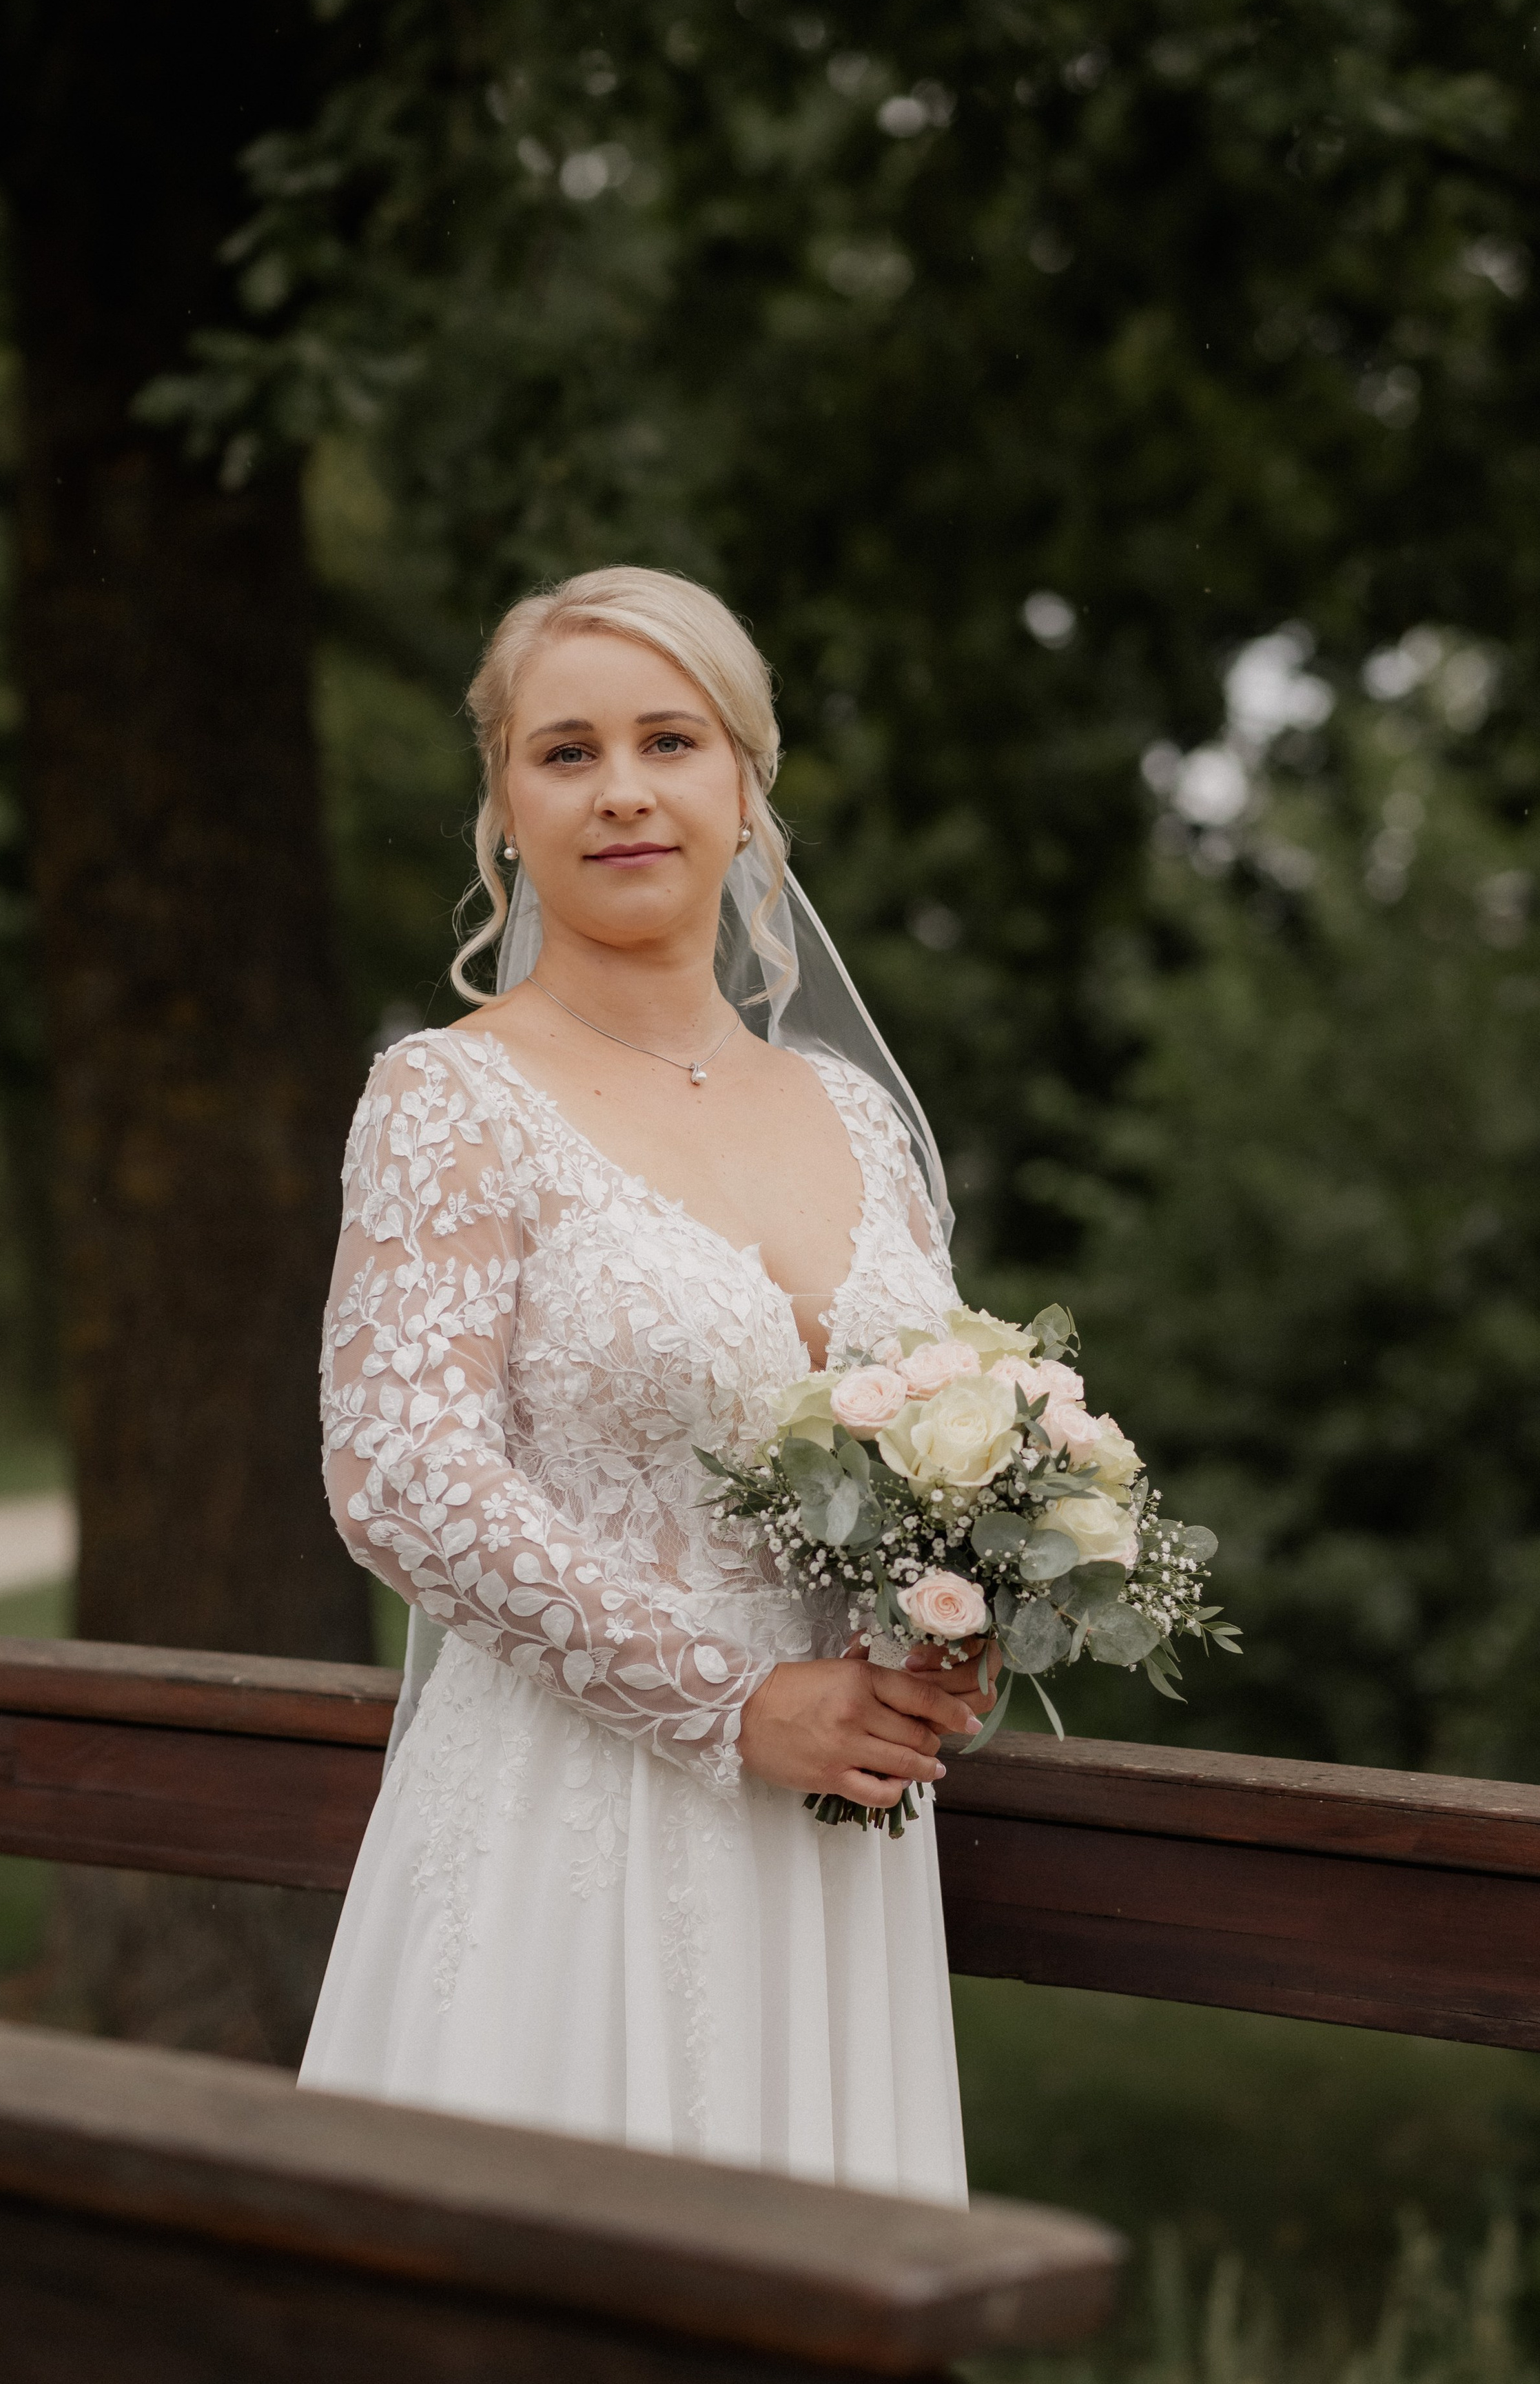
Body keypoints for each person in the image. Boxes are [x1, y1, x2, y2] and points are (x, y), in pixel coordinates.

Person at [298, 566, 992, 2204]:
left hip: (838, 1840)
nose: (620, 789)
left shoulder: (853, 1116)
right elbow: (399, 1476)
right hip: (575, 1820)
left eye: (668, 740)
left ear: (744, 785)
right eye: (566, 751)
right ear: (504, 809)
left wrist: (955, 1623)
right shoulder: (448, 1097)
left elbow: (948, 1443)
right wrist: (729, 1700)